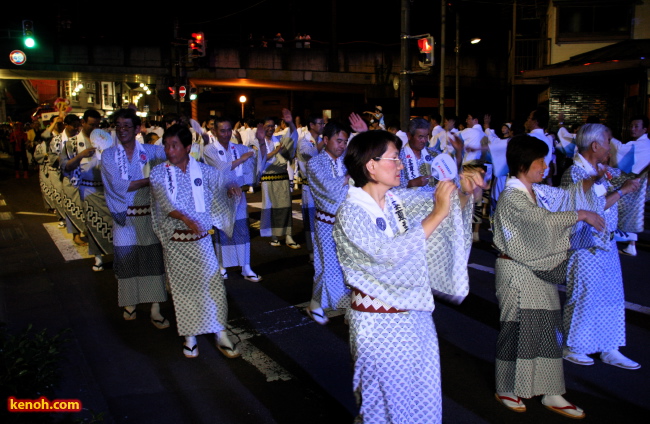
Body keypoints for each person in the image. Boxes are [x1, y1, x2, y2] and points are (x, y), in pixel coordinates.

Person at [333, 130, 483, 423]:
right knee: (384, 404)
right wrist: (437, 214)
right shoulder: (350, 211)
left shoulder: (397, 200)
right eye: (394, 159)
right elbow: (386, 254)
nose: (401, 165)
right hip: (378, 324)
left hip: (415, 314)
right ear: (371, 165)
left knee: (422, 395)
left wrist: (462, 191)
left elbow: (444, 207)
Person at [493, 134, 605, 419]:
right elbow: (540, 221)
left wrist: (590, 185)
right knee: (516, 329)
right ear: (523, 163)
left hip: (535, 270)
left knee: (545, 332)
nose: (546, 166)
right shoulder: (511, 196)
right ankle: (506, 387)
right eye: (541, 160)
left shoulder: (535, 191)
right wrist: (580, 215)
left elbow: (567, 196)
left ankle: (551, 390)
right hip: (517, 272)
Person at [150, 124, 240, 359]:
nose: (169, 150)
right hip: (176, 242)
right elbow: (164, 202)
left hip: (201, 241)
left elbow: (222, 185)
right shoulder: (159, 172)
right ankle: (190, 336)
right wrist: (185, 218)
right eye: (166, 145)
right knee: (184, 290)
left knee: (213, 288)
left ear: (188, 147)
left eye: (174, 145)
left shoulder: (204, 171)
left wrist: (231, 191)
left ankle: (220, 332)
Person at [561, 124, 642, 369]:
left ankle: (610, 346)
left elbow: (626, 181)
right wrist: (622, 191)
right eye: (608, 142)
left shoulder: (601, 170)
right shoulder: (574, 173)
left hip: (605, 242)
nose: (610, 147)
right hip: (584, 245)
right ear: (595, 145)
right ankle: (574, 345)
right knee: (585, 295)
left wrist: (629, 182)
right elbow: (588, 207)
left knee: (611, 295)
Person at [101, 108, 168, 328]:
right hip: (125, 218)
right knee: (127, 261)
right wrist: (151, 179)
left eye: (127, 126)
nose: (122, 130)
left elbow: (175, 162)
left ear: (137, 129)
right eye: (118, 126)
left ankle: (156, 308)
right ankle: (130, 303)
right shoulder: (109, 154)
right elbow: (120, 186)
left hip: (149, 216)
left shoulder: (151, 151)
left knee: (152, 261)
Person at [203, 117, 260, 282]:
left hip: (238, 195)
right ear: (214, 132)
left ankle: (246, 266)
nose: (226, 134)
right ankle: (222, 266)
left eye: (229, 130)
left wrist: (260, 144)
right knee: (222, 230)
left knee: (242, 229)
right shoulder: (209, 149)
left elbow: (254, 154)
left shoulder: (237, 147)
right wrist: (244, 158)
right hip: (220, 195)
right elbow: (221, 168)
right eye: (222, 130)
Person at [305, 121, 351, 325]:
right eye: (339, 141)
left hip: (347, 222)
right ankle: (323, 304)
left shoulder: (346, 161)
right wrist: (348, 179)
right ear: (325, 140)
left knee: (346, 265)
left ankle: (332, 303)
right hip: (327, 222)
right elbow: (327, 188)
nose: (342, 145)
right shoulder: (315, 163)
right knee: (328, 265)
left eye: (345, 142)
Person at [62, 109, 113, 271]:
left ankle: (116, 255)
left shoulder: (105, 139)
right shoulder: (72, 143)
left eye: (98, 125)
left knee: (114, 223)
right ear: (83, 123)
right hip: (88, 189)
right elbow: (65, 166)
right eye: (91, 124)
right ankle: (98, 257)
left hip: (107, 188)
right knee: (93, 223)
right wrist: (80, 155)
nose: (95, 128)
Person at [259, 109, 300, 248]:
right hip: (267, 178)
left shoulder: (279, 139)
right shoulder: (259, 142)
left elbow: (293, 136)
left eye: (272, 126)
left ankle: (288, 235)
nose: (270, 129)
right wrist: (276, 152)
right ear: (262, 127)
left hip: (282, 177)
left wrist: (291, 123)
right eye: (267, 126)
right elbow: (260, 159)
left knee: (285, 206)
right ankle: (274, 235)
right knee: (270, 207)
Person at [609, 115, 650, 256]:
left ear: (645, 129)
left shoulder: (641, 144)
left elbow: (620, 150)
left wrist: (610, 138)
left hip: (633, 181)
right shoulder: (644, 143)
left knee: (621, 209)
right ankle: (631, 245)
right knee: (633, 213)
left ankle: (626, 239)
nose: (633, 129)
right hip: (639, 181)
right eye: (631, 126)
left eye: (636, 126)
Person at [295, 113, 325, 258]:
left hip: (323, 186)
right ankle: (313, 253)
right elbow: (311, 153)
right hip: (309, 185)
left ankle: (323, 250)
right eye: (320, 123)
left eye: (323, 124)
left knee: (323, 219)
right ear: (312, 125)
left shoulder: (321, 140)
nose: (322, 126)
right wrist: (325, 142)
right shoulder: (304, 141)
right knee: (311, 220)